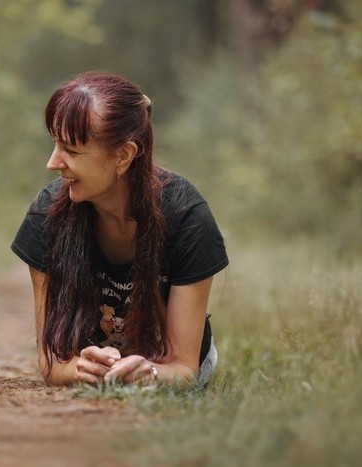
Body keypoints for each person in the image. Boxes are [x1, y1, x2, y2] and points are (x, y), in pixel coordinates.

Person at [11, 72, 228, 388]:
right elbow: (53, 365)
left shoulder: (187, 218)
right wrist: (79, 369)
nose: (53, 162)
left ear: (123, 156)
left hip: (168, 365)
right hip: (96, 363)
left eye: (70, 150)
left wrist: (148, 374)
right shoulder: (47, 216)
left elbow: (184, 368)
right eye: (55, 144)